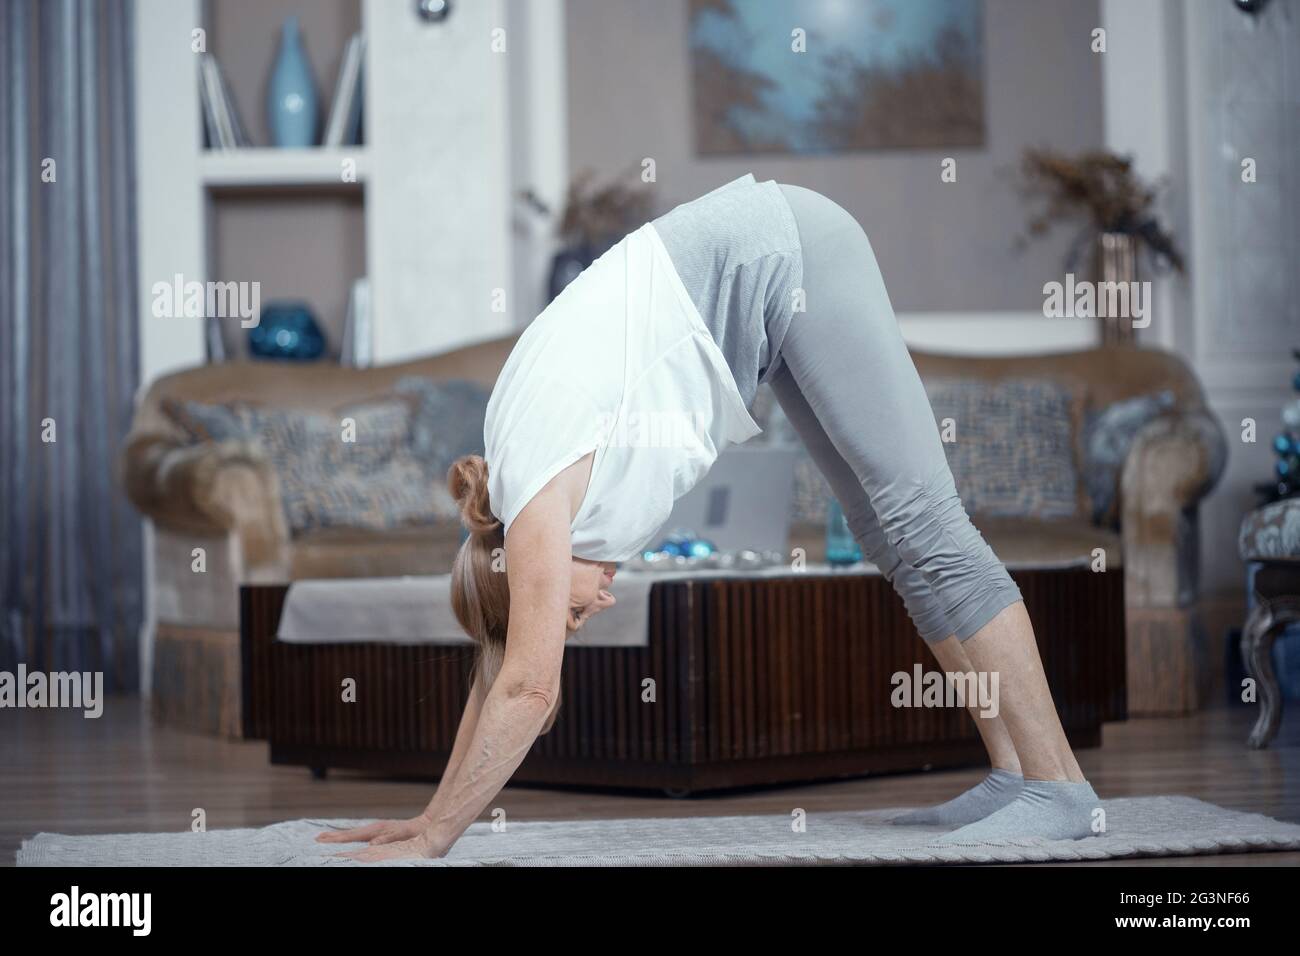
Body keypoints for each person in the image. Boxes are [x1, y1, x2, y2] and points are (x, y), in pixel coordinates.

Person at [317, 174, 1101, 861]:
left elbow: (526, 689)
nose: (595, 606)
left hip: (790, 252)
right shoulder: (520, 485)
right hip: (767, 289)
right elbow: (500, 671)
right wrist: (426, 819)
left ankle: (1058, 786)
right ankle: (1017, 776)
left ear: (529, 579)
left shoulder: (532, 503)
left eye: (569, 617)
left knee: (925, 522)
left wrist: (433, 843)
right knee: (892, 541)